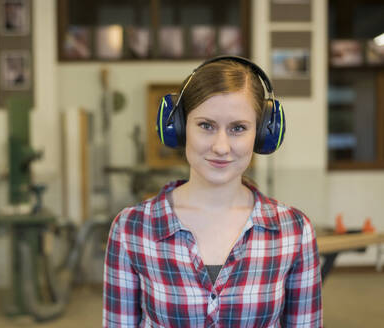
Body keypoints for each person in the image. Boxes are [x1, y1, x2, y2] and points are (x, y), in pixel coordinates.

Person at [102, 56, 322, 327]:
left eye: (238, 128)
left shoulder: (294, 231)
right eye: (206, 125)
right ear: (179, 128)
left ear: (263, 134)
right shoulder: (132, 229)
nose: (221, 146)